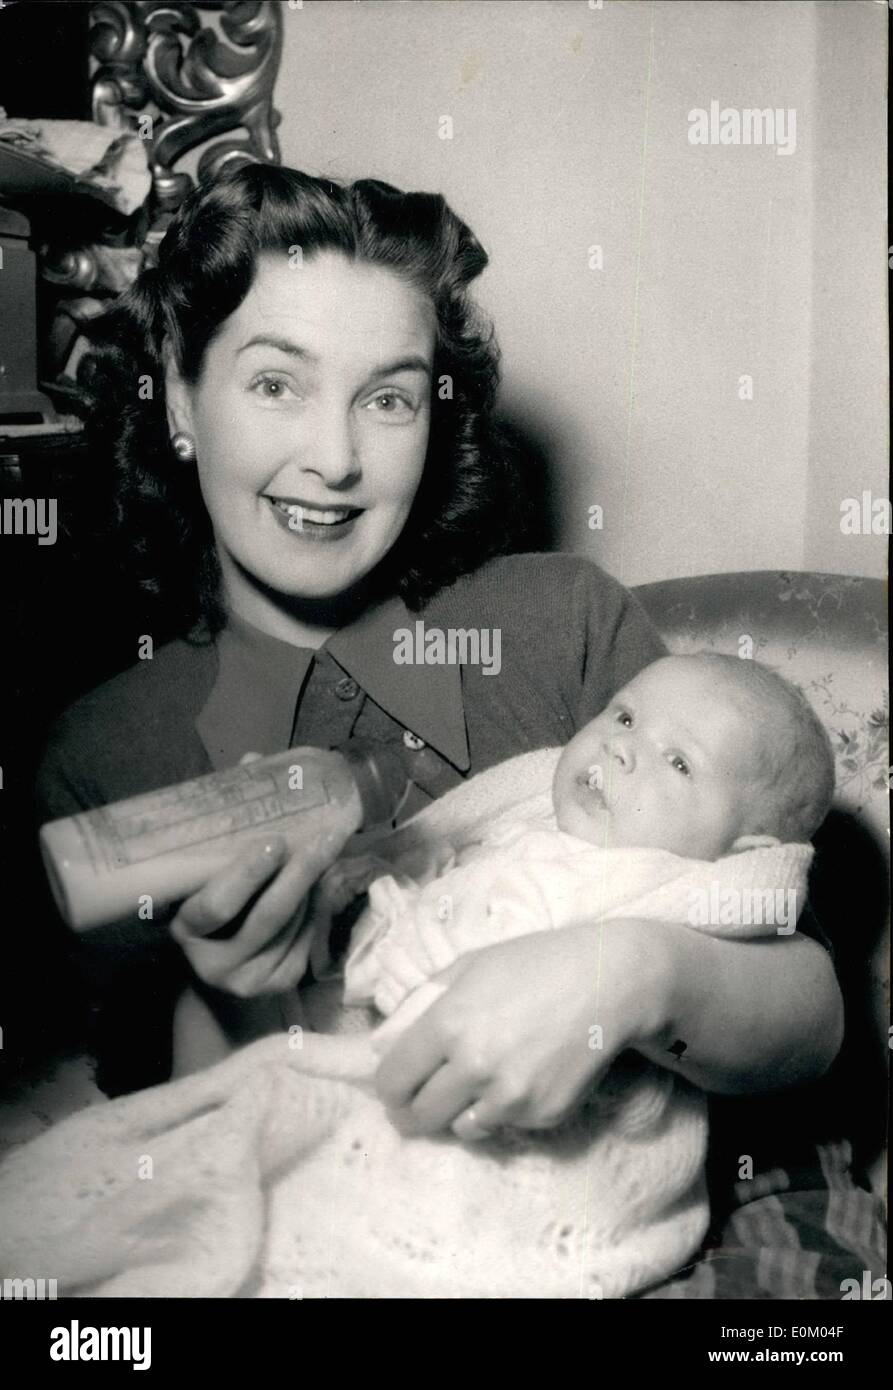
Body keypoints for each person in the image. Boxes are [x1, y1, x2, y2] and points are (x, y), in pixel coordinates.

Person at [36, 163, 872, 1299]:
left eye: (387, 396)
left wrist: (625, 974)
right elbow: (190, 1150)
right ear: (180, 402)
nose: (334, 457)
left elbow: (810, 1016)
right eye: (276, 383)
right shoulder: (105, 754)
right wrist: (236, 989)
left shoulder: (558, 621)